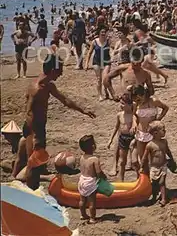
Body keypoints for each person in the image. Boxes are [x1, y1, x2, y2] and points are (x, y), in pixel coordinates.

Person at [24, 54, 96, 190]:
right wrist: (35, 136)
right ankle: (31, 194)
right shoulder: (38, 89)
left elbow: (65, 100)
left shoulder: (48, 85)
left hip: (38, 128)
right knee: (33, 165)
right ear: (52, 71)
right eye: (60, 70)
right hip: (34, 128)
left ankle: (26, 180)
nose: (61, 74)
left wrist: (83, 110)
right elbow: (28, 112)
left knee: (34, 163)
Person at [132, 85, 169, 174]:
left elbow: (165, 108)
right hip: (141, 133)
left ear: (144, 94)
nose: (138, 101)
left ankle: (156, 180)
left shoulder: (154, 101)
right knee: (142, 159)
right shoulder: (137, 103)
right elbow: (134, 115)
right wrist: (134, 123)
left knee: (154, 158)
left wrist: (158, 119)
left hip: (152, 134)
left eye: (139, 98)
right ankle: (145, 180)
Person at [140, 121, 176, 206]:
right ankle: (154, 196)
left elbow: (168, 151)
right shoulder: (150, 145)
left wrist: (172, 159)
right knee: (154, 183)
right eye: (163, 130)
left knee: (162, 182)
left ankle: (163, 199)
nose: (165, 131)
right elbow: (144, 157)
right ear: (155, 133)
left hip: (163, 165)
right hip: (154, 167)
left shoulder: (164, 142)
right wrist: (141, 167)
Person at [107, 93, 137, 181]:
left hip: (132, 139)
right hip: (123, 138)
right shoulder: (119, 115)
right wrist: (111, 139)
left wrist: (134, 139)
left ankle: (139, 177)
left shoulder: (133, 116)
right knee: (122, 161)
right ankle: (121, 180)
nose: (121, 105)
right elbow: (116, 127)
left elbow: (137, 128)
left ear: (130, 104)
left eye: (123, 104)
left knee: (135, 161)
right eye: (121, 103)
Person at [78, 135, 107, 224]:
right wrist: (103, 177)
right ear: (93, 146)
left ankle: (83, 215)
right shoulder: (95, 159)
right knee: (92, 202)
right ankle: (92, 218)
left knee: (82, 200)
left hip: (82, 180)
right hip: (90, 182)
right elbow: (98, 172)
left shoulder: (82, 157)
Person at [85, 26, 113, 101]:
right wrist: (86, 64)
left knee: (105, 78)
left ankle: (106, 90)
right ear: (99, 33)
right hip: (96, 62)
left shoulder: (108, 41)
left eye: (104, 32)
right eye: (102, 32)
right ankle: (100, 95)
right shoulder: (94, 42)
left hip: (106, 61)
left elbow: (113, 49)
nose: (103, 33)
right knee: (99, 79)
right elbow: (89, 53)